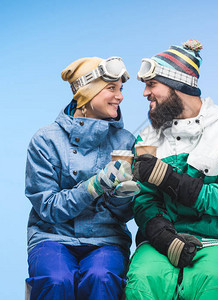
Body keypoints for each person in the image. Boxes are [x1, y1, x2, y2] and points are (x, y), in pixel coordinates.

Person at [125, 40, 218, 300]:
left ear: (177, 85)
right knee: (142, 279)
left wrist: (169, 178)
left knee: (212, 280)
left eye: (151, 85)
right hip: (161, 240)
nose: (144, 93)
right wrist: (165, 238)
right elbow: (144, 200)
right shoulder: (146, 138)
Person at [24, 56, 140, 299]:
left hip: (106, 239)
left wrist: (121, 197)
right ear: (86, 93)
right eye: (111, 88)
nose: (120, 96)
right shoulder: (45, 141)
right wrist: (94, 185)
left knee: (102, 278)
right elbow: (48, 208)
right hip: (52, 236)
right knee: (56, 280)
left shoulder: (126, 142)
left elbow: (124, 214)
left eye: (121, 89)